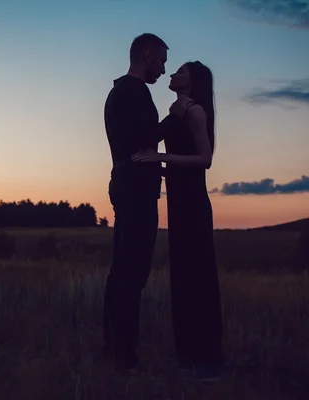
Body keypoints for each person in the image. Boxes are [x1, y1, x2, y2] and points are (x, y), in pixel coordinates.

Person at [131, 61, 224, 381]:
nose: (172, 75)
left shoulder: (195, 111)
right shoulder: (179, 110)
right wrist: (156, 166)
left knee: (199, 277)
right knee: (183, 277)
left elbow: (205, 159)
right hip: (179, 203)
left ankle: (208, 359)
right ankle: (188, 355)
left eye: (180, 72)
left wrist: (159, 158)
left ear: (193, 81)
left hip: (195, 203)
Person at [102, 33, 189, 372]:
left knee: (120, 270)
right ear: (147, 55)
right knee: (133, 273)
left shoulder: (116, 92)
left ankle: (112, 347)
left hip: (124, 183)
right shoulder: (135, 93)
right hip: (136, 189)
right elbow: (144, 140)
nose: (164, 69)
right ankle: (125, 354)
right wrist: (177, 114)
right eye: (163, 61)